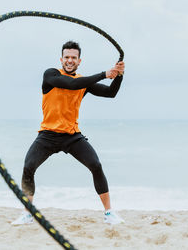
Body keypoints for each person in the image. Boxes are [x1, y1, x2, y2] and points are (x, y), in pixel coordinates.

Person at [12, 41, 125, 225]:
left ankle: (109, 213)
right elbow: (71, 84)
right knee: (28, 167)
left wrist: (119, 75)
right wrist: (104, 74)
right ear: (61, 59)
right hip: (47, 135)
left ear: (79, 61)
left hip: (71, 136)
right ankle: (28, 213)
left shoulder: (83, 82)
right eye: (67, 57)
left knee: (95, 165)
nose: (70, 60)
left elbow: (111, 93)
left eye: (74, 58)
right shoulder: (51, 74)